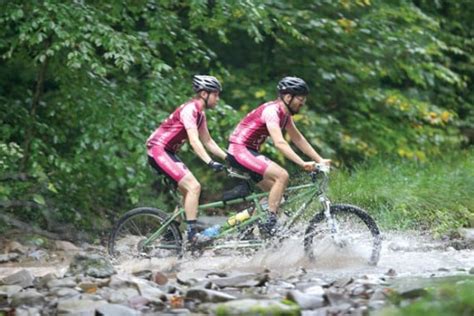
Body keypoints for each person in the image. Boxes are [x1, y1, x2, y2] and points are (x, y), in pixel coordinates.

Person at [227, 76, 331, 234]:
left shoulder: (285, 115)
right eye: (300, 99)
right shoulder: (272, 111)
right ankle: (269, 223)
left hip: (248, 152)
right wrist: (302, 163)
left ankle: (245, 227)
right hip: (240, 150)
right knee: (282, 176)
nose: (303, 103)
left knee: (278, 197)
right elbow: (279, 142)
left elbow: (298, 138)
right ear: (288, 97)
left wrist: (319, 159)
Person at [146, 75, 227, 245]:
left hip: (167, 152)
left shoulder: (200, 115)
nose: (218, 99)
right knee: (194, 187)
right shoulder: (190, 109)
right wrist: (210, 162)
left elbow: (208, 141)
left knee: (187, 195)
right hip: (158, 150)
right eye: (216, 94)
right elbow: (194, 141)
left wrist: (230, 158)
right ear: (204, 94)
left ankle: (170, 233)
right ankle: (192, 235)